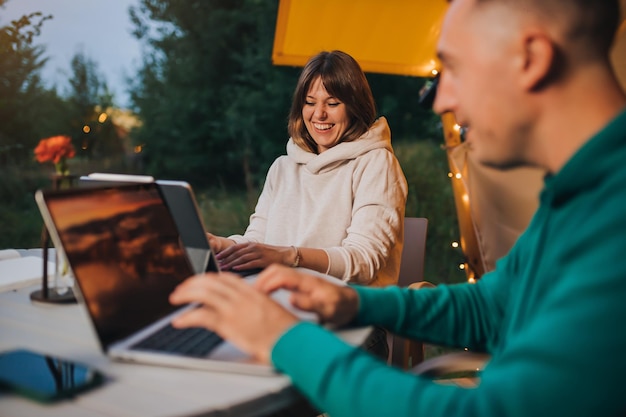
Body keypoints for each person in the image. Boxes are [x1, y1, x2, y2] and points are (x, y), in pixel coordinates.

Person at [170, 0, 626, 416]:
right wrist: (353, 301)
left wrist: (285, 338)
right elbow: (492, 305)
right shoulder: (577, 194)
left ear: (531, 59)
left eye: (454, 69)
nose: (442, 101)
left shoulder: (613, 225)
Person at [209, 50, 408, 288]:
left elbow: (363, 262)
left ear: (355, 106)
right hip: (283, 298)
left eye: (333, 103)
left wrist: (290, 256)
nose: (319, 114)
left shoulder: (375, 164)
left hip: (350, 309)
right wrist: (220, 245)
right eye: (310, 103)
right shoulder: (282, 167)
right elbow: (257, 242)